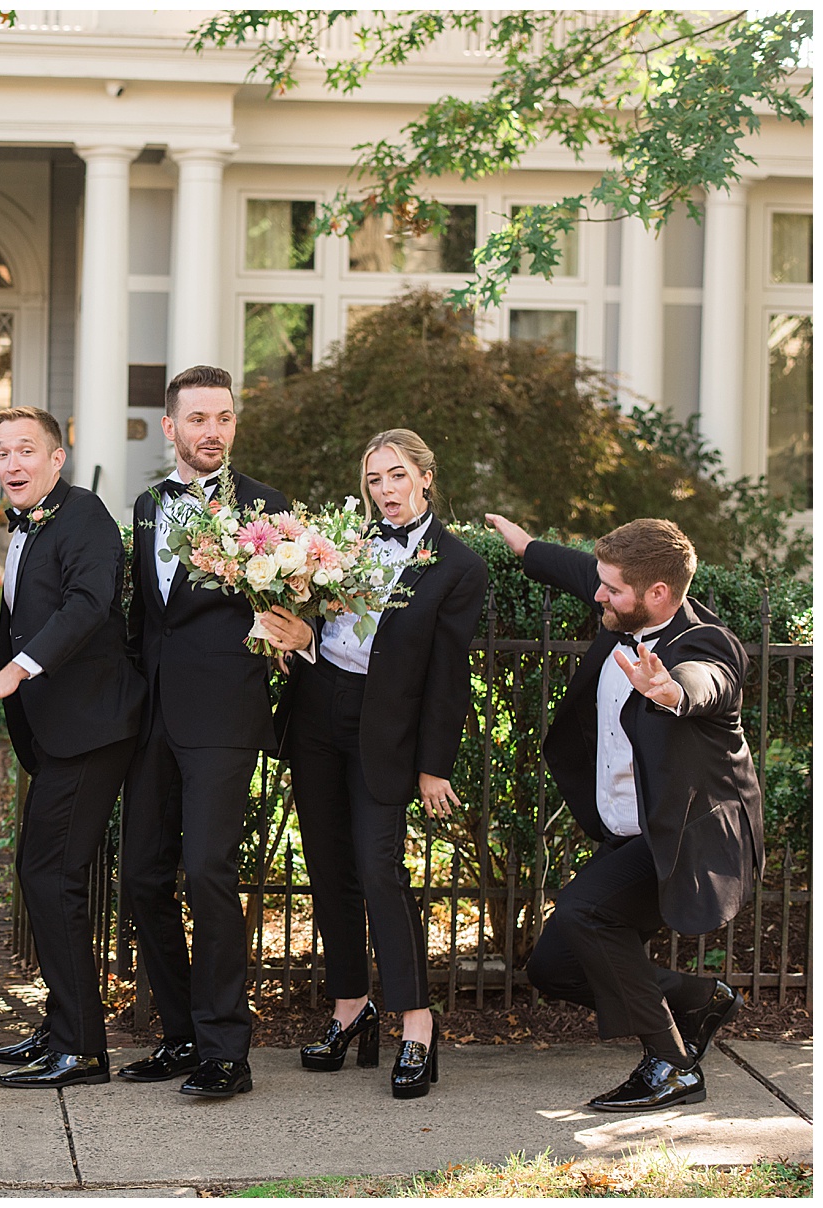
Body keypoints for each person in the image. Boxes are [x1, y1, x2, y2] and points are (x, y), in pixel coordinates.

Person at [485, 513, 762, 1113]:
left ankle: (671, 1064)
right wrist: (529, 547)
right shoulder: (627, 598)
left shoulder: (706, 647)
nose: (598, 594)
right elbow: (582, 569)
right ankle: (695, 999)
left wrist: (671, 693)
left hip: (683, 837)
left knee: (585, 910)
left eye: (611, 588)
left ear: (657, 594)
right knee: (555, 968)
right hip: (626, 832)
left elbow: (707, 680)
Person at [258, 430, 487, 1099]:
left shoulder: (457, 566)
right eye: (374, 479)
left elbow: (448, 677)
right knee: (328, 870)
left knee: (377, 870)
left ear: (424, 478)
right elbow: (318, 629)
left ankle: (417, 1023)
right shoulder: (345, 547)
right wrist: (296, 640)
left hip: (383, 731)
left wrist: (433, 764)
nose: (384, 490)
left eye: (396, 476)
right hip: (318, 709)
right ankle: (349, 1009)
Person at [109, 365, 287, 1100]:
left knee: (209, 874)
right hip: (152, 719)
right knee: (143, 878)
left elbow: (295, 607)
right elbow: (149, 615)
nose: (213, 431)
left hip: (222, 719)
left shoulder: (267, 509)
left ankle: (226, 1049)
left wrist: (296, 630)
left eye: (224, 418)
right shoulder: (148, 507)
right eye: (199, 419)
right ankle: (180, 1034)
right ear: (171, 429)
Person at [0, 407, 145, 1088]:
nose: (12, 464)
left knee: (52, 877)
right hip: (58, 734)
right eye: (2, 452)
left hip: (94, 729)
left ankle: (83, 1047)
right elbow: (20, 623)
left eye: (26, 451)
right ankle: (60, 1028)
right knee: (43, 876)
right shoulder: (25, 528)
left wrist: (17, 672)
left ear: (57, 458)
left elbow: (87, 605)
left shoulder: (85, 515)